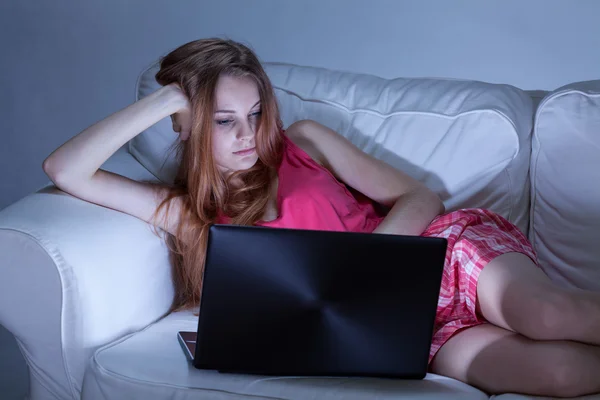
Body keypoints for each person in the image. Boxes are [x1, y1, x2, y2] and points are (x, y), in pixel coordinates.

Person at [42, 37, 600, 397]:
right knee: (561, 376)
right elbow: (67, 169)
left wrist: (365, 265)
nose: (246, 135)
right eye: (222, 120)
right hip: (396, 332)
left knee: (548, 317)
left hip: (441, 255)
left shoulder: (304, 140)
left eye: (255, 114)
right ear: (185, 124)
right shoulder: (189, 215)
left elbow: (419, 199)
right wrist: (167, 101)